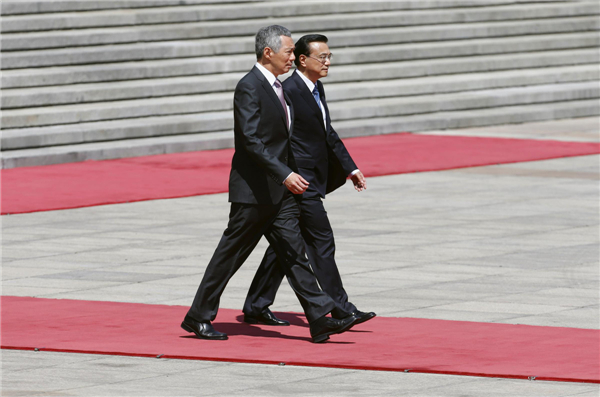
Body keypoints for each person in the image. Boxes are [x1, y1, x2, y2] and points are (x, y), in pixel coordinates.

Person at [181, 26, 360, 344]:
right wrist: (285, 173)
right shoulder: (249, 87)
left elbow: (287, 139)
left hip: (280, 192)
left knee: (293, 252)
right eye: (289, 52)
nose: (293, 57)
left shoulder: (280, 87)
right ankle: (198, 316)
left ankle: (319, 318)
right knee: (229, 256)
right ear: (268, 53)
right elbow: (250, 141)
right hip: (253, 192)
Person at [243, 34, 376, 326]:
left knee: (289, 244)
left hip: (313, 177)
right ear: (303, 60)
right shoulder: (288, 90)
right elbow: (279, 138)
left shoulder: (316, 88)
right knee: (321, 240)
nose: (328, 62)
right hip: (298, 180)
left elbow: (327, 131)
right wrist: (286, 174)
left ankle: (256, 303)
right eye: (322, 57)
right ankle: (341, 308)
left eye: (329, 57)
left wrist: (350, 168)